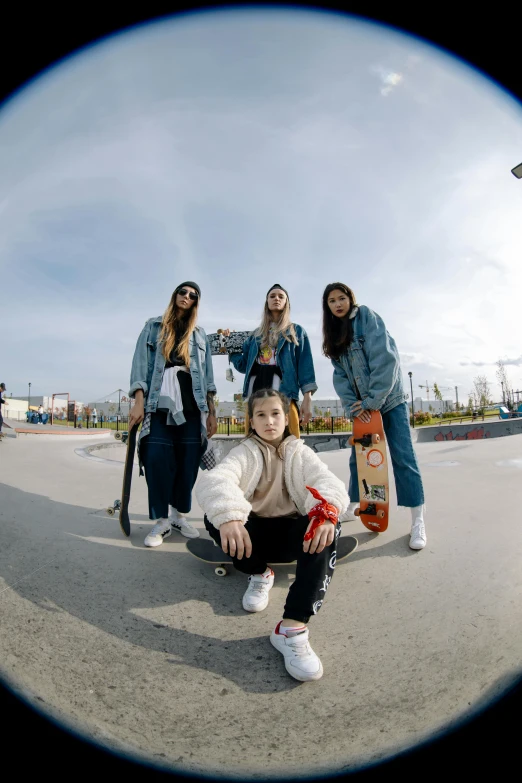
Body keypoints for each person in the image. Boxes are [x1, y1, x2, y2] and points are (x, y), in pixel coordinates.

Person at [196, 388, 349, 682]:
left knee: (325, 517)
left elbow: (327, 481)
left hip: (293, 535)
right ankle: (259, 573)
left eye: (275, 414)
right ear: (251, 421)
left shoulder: (300, 452)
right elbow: (216, 479)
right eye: (261, 415)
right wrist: (229, 516)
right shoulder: (244, 452)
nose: (269, 421)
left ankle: (291, 628)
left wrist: (327, 510)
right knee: (215, 516)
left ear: (286, 418)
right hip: (254, 538)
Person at [322, 283, 426, 550]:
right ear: (328, 307)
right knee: (359, 459)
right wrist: (353, 405)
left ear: (350, 299)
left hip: (389, 401)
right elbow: (340, 377)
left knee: (403, 457)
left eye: (342, 298)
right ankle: (355, 505)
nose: (338, 304)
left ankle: (417, 520)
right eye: (332, 301)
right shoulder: (334, 335)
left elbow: (386, 359)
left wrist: (372, 401)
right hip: (364, 408)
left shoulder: (366, 317)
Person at [128, 281, 217, 547]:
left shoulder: (200, 335)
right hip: (159, 402)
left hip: (192, 402)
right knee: (155, 456)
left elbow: (209, 378)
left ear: (196, 302)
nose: (187, 297)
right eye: (183, 292)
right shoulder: (153, 326)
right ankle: (161, 521)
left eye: (193, 295)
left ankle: (178, 515)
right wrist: (139, 401)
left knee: (188, 461)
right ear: (175, 295)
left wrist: (212, 412)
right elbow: (140, 365)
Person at [224, 284, 317, 438]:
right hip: (255, 393)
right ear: (266, 302)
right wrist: (230, 345)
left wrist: (307, 398)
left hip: (284, 392)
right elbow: (243, 365)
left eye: (281, 296)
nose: (276, 299)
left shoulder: (296, 331)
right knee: (255, 442)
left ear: (287, 302)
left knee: (289, 441)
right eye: (272, 296)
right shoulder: (255, 336)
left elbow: (305, 367)